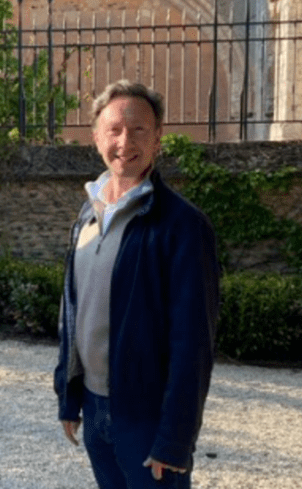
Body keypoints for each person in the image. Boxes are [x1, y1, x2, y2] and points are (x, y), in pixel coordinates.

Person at [54, 80, 220, 489]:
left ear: (159, 138)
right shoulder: (87, 215)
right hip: (95, 411)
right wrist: (69, 396)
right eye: (114, 130)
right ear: (96, 138)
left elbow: (193, 342)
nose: (125, 141)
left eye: (139, 130)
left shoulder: (182, 226)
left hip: (147, 419)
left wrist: (176, 439)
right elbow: (74, 311)